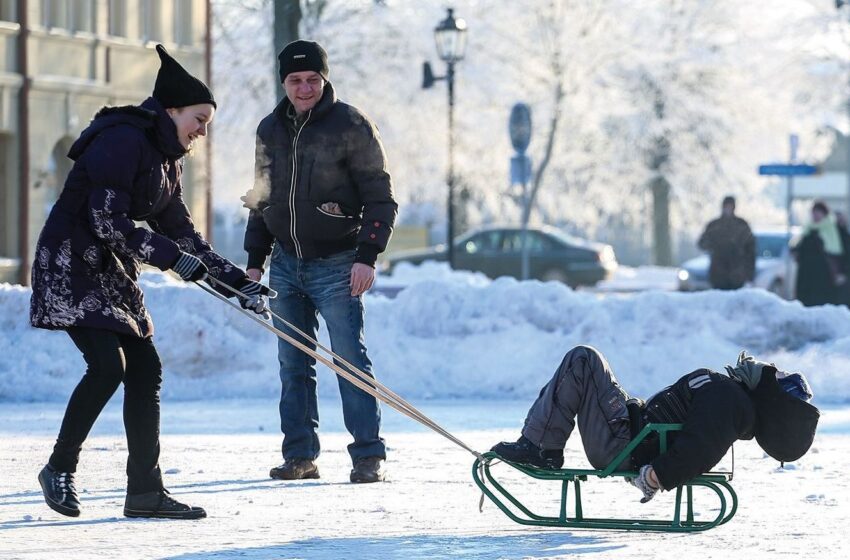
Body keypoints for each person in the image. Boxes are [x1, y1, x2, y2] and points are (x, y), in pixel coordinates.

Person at [30, 45, 271, 519]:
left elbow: (181, 232)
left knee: (145, 369)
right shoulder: (121, 140)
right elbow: (105, 219)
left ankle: (144, 492)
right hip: (71, 262)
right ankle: (59, 467)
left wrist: (235, 283)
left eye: (207, 122)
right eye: (198, 119)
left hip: (109, 268)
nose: (203, 130)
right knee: (107, 367)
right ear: (171, 110)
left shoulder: (167, 157)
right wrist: (170, 261)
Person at [241, 40, 397, 483]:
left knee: (349, 359)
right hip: (286, 265)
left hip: (338, 263)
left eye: (312, 79)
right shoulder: (269, 129)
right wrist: (255, 263)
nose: (304, 87)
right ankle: (300, 456)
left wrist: (366, 256)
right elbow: (261, 197)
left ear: (324, 79)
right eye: (295, 80)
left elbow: (380, 197)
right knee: (293, 363)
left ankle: (368, 455)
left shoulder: (350, 124)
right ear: (284, 82)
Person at [491, 346, 819, 502]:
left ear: (771, 393)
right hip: (631, 434)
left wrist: (658, 475)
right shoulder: (733, 399)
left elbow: (701, 446)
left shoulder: (730, 400)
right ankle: (541, 445)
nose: (767, 367)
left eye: (776, 375)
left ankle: (539, 448)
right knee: (588, 363)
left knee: (583, 360)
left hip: (622, 447)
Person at [794, 201, 849, 307]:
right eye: (814, 212)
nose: (816, 215)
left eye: (818, 212)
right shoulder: (808, 230)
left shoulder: (835, 229)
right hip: (808, 279)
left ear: (824, 213)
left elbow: (845, 252)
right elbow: (801, 250)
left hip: (827, 279)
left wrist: (844, 272)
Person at [697, 196, 755, 290]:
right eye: (726, 206)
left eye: (730, 206)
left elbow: (750, 250)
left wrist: (749, 273)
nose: (728, 209)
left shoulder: (741, 225)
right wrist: (713, 245)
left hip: (737, 274)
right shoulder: (714, 225)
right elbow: (702, 243)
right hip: (718, 274)